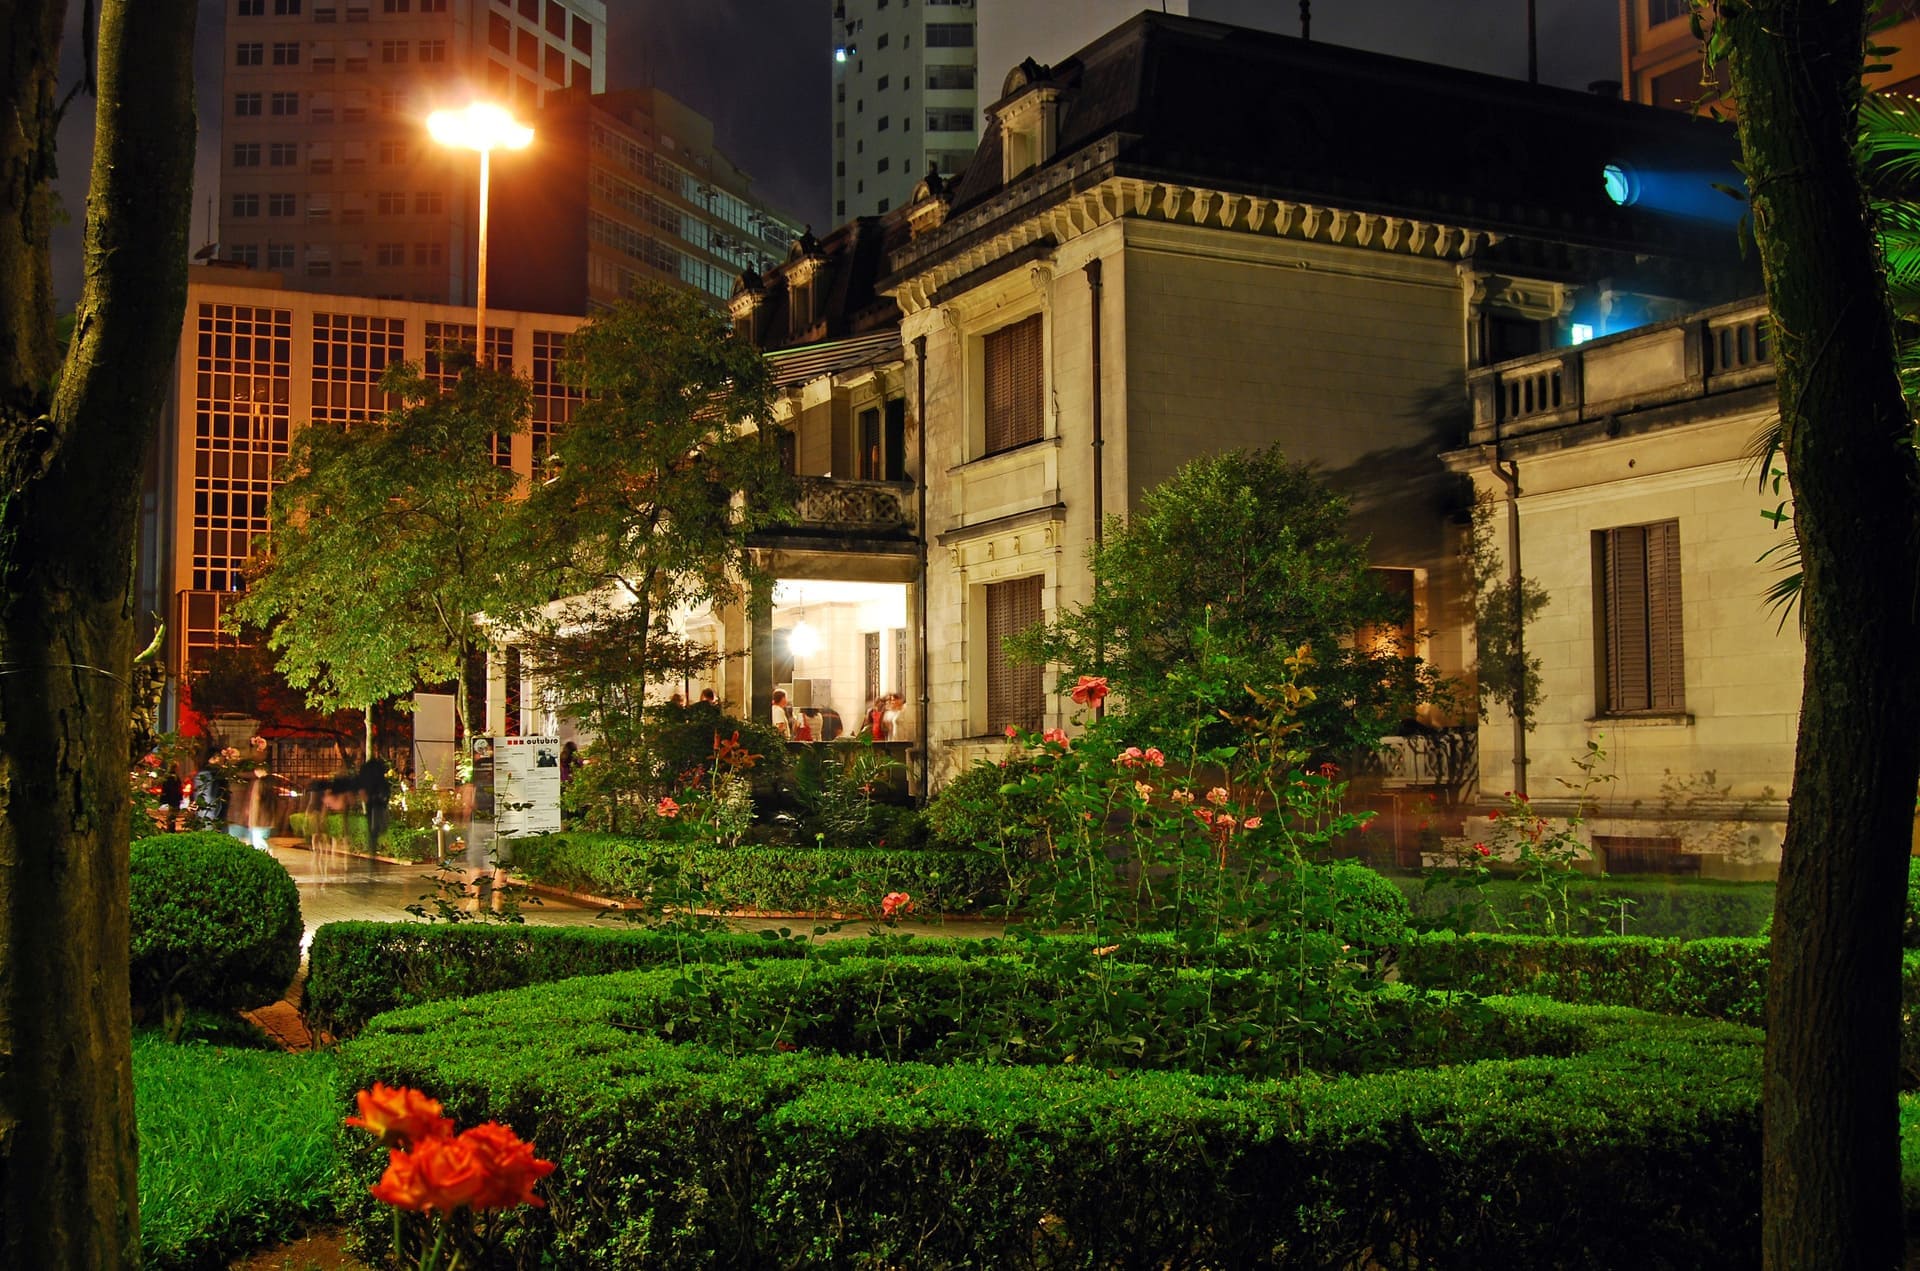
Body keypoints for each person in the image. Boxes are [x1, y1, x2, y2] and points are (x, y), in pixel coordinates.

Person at [359, 758, 391, 857]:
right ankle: (373, 847)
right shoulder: (380, 780)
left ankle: (373, 847)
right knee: (375, 827)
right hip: (377, 804)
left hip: (374, 804)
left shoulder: (370, 780)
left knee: (373, 827)